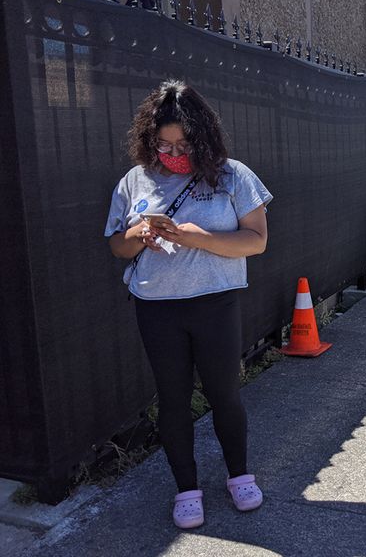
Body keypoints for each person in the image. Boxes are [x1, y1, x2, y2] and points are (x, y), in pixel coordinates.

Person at [105, 80, 272, 529]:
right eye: (162, 142)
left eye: (182, 142)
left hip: (215, 304)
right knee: (173, 399)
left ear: (203, 136)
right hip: (156, 306)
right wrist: (140, 234)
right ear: (148, 137)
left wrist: (204, 239)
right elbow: (117, 247)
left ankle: (239, 475)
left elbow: (256, 241)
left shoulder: (233, 175)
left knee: (224, 394)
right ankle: (187, 489)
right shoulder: (135, 179)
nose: (172, 151)